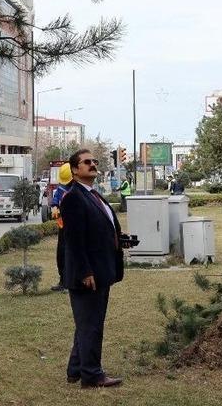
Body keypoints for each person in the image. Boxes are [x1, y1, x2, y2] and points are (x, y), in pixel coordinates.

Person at [60, 149, 126, 388]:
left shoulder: (93, 195)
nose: (93, 164)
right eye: (86, 162)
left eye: (94, 161)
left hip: (102, 269)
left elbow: (99, 230)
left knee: (86, 323)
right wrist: (85, 272)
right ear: (75, 170)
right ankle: (92, 375)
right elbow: (74, 241)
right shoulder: (73, 198)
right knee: (91, 326)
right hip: (88, 274)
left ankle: (76, 369)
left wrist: (120, 239)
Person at [50, 163, 73, 292]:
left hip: (74, 228)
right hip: (63, 227)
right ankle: (63, 281)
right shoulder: (61, 188)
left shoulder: (77, 191)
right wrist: (54, 207)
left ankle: (70, 283)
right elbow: (56, 199)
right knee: (61, 254)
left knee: (72, 255)